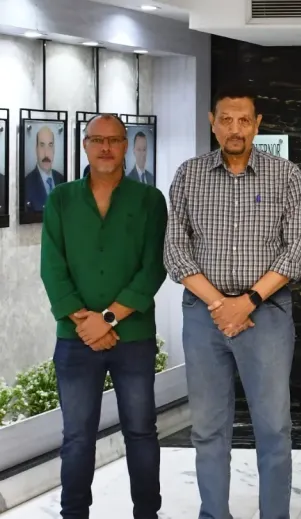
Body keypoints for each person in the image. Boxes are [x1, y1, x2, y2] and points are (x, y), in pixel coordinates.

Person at [163, 86, 301, 519]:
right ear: (212, 122)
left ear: (257, 124)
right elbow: (175, 252)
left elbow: (295, 252)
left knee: (274, 429)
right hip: (203, 318)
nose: (235, 129)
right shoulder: (189, 174)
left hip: (267, 315)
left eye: (244, 120)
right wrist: (220, 305)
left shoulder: (285, 175)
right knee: (208, 429)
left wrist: (247, 302)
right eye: (226, 119)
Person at [40, 113, 167, 518]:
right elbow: (52, 267)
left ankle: (147, 512)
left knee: (141, 432)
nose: (106, 148)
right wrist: (85, 321)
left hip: (134, 338)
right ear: (85, 145)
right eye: (98, 140)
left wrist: (107, 319)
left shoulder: (149, 200)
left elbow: (153, 268)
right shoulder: (61, 199)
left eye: (114, 140)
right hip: (75, 339)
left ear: (126, 145)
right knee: (77, 438)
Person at [24, 124, 67, 212]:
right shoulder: (26, 184)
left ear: (54, 149)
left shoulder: (62, 179)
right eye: (42, 145)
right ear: (36, 149)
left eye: (50, 145)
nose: (46, 153)